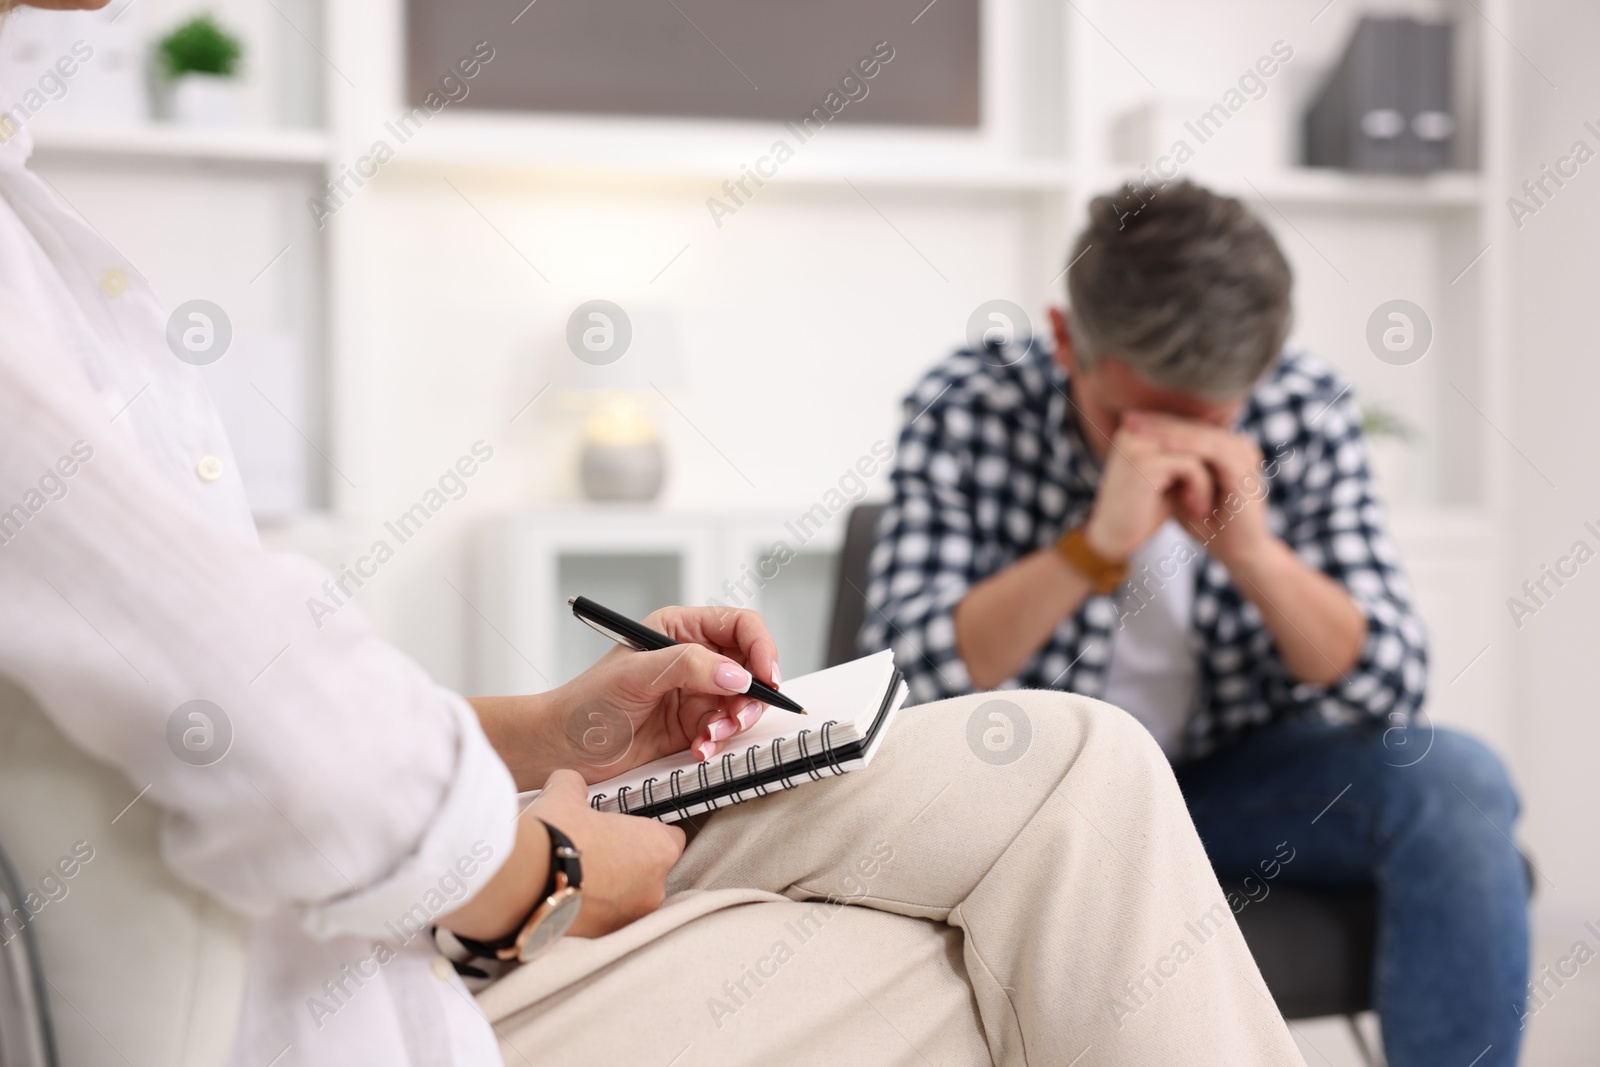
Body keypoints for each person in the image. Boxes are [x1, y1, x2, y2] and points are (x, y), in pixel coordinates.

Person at [0, 5, 1305, 1065]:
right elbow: (274, 731)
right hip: (323, 977)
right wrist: (547, 867)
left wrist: (554, 729)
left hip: (368, 872)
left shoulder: (37, 227)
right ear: (1076, 346)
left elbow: (208, 691)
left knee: (1077, 764)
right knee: (997, 957)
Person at [861, 178, 1530, 1067]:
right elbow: (911, 683)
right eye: (1133, 420)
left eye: (1210, 420)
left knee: (1456, 782)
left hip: (1237, 788)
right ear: (1067, 342)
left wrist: (1252, 551)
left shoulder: (1304, 406)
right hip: (1044, 798)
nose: (1173, 451)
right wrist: (1094, 548)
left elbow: (1390, 681)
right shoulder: (970, 405)